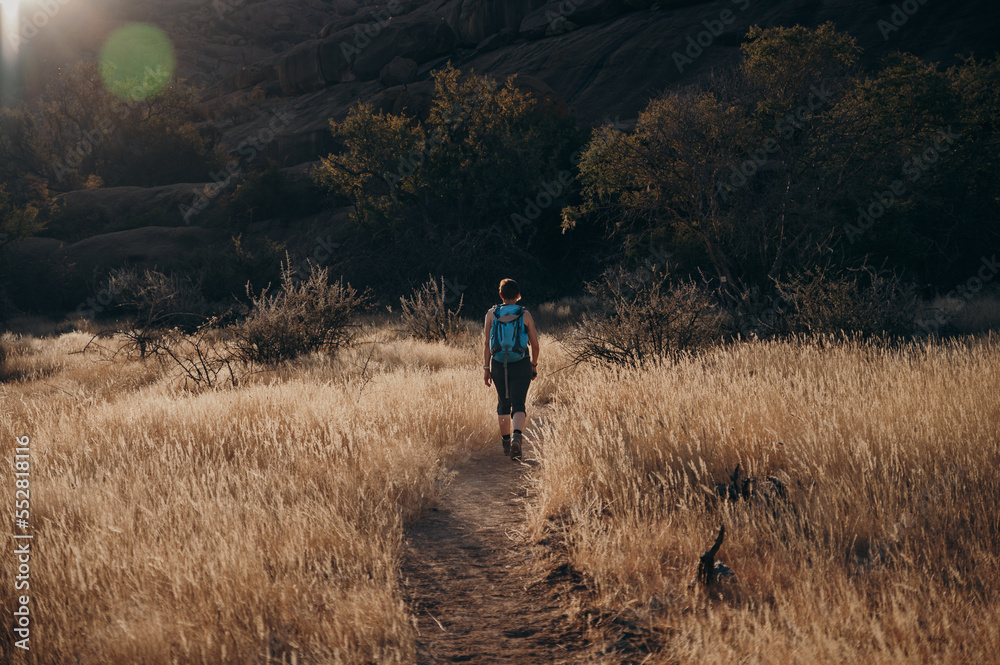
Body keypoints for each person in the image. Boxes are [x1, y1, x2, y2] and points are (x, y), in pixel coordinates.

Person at [483, 278, 540, 462]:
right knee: (519, 404)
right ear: (518, 295)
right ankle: (517, 436)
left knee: (503, 404)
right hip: (521, 362)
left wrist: (486, 368)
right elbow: (536, 346)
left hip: (498, 364)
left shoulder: (491, 314)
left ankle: (507, 443)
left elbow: (486, 344)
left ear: (500, 295)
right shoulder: (525, 315)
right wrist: (533, 366)